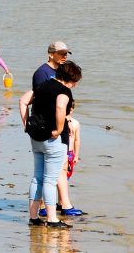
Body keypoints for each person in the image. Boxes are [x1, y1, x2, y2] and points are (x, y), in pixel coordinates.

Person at [19, 61, 82, 229]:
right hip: (53, 140)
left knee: (37, 177)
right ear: (72, 78)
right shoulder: (64, 91)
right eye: (76, 81)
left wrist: (25, 124)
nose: (75, 85)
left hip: (36, 137)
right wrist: (59, 128)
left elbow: (23, 100)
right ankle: (52, 218)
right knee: (50, 179)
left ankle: (33, 217)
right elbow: (61, 106)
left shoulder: (42, 85)